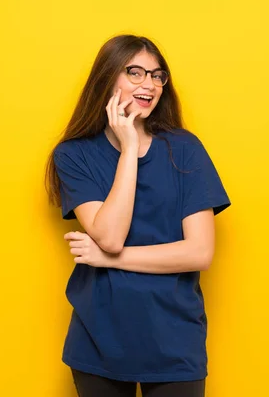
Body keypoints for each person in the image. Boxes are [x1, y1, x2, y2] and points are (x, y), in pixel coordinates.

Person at [45, 34, 231, 397]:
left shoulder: (184, 149)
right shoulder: (73, 155)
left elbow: (199, 252)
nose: (149, 84)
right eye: (135, 72)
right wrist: (129, 148)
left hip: (174, 340)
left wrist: (108, 259)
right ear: (108, 77)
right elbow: (111, 235)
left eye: (157, 75)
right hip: (100, 338)